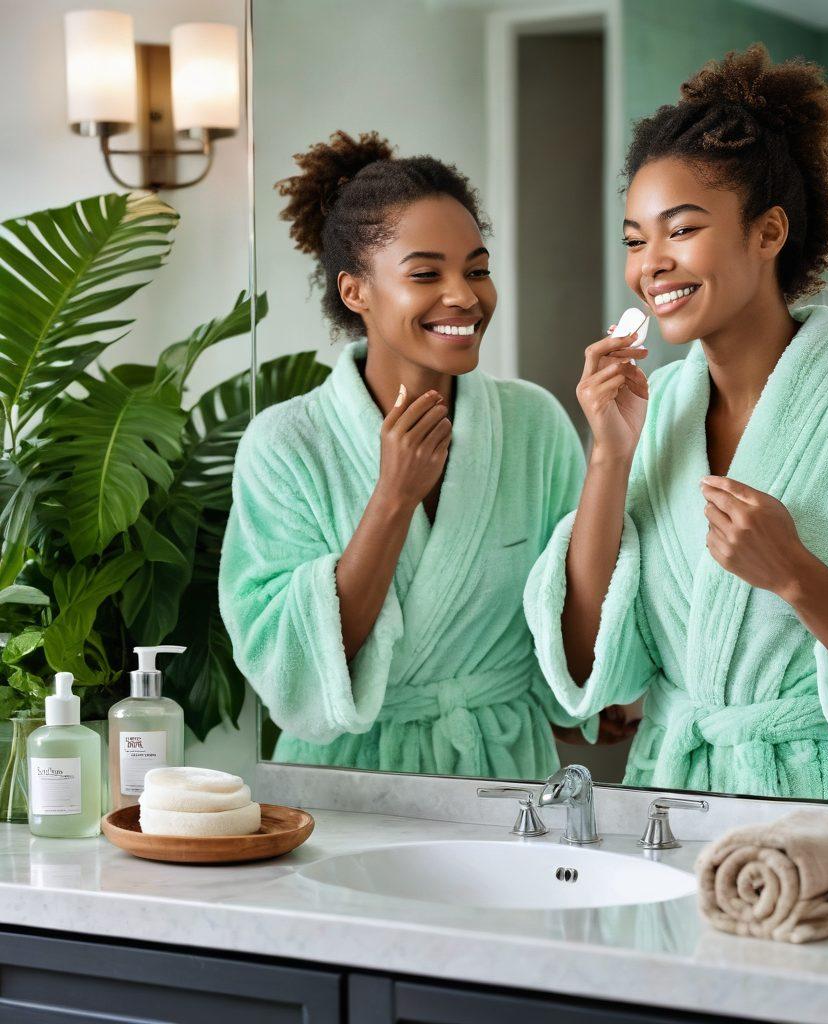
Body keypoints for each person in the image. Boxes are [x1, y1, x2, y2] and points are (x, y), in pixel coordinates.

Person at [525, 44, 828, 808]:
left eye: (680, 229)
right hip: (678, 806)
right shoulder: (647, 423)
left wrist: (794, 573)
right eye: (634, 238)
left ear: (768, 232)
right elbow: (588, 661)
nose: (652, 263)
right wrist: (608, 459)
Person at [219, 130, 590, 776]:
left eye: (477, 269)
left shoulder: (533, 425)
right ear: (356, 291)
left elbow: (575, 627)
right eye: (427, 274)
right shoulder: (286, 446)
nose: (466, 296)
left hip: (503, 780)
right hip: (346, 789)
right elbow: (292, 669)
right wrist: (393, 498)